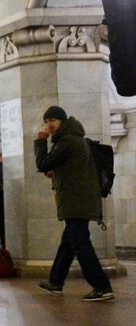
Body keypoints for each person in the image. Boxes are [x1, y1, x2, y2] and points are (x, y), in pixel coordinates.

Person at [34, 106, 114, 301]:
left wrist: (40, 140)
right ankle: (55, 282)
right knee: (69, 242)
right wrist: (58, 172)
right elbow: (74, 168)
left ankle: (102, 286)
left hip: (75, 200)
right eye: (46, 121)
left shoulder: (67, 141)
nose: (49, 125)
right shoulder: (74, 139)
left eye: (53, 120)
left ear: (63, 121)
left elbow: (42, 163)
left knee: (80, 244)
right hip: (79, 199)